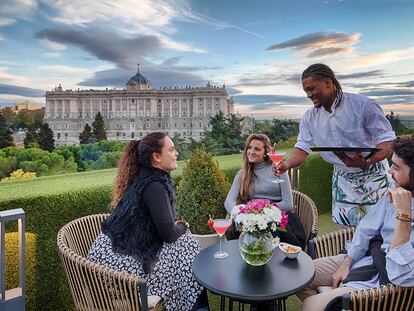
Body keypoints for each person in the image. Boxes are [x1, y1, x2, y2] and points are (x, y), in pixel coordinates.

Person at [87, 132, 208, 311]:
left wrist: (177, 229)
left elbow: (162, 229)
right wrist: (183, 225)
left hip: (108, 257)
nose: (177, 154)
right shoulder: (154, 185)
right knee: (187, 247)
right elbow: (169, 235)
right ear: (156, 157)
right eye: (172, 149)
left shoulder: (145, 178)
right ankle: (197, 307)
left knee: (185, 247)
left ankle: (195, 307)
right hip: (114, 269)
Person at [298, 136, 414, 311]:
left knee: (311, 305)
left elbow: (400, 275)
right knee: (300, 275)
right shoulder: (397, 189)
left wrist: (404, 215)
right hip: (369, 257)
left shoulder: (403, 200)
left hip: (388, 280)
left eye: (396, 167)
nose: (389, 170)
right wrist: (347, 263)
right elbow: (367, 226)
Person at [276, 63, 395, 227]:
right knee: (345, 230)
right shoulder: (310, 117)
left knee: (381, 228)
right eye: (306, 91)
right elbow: (302, 147)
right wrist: (287, 164)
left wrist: (367, 161)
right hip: (342, 179)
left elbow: (387, 140)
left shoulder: (363, 105)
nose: (309, 95)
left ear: (328, 83)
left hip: (374, 176)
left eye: (311, 89)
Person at [225, 133, 306, 249]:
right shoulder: (242, 175)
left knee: (270, 236)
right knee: (236, 231)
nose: (251, 151)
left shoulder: (278, 170)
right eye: (249, 147)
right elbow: (228, 202)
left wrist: (262, 212)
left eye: (257, 149)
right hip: (252, 219)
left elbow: (288, 204)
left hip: (279, 218)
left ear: (265, 153)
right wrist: (242, 214)